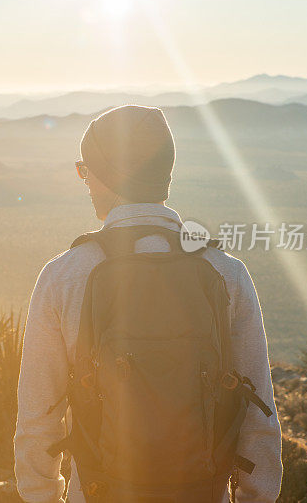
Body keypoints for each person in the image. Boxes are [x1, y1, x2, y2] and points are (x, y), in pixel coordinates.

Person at [14, 106, 282, 502]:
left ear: (106, 176)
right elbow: (259, 413)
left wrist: (42, 496)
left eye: (85, 170)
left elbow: (38, 416)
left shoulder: (63, 275)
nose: (86, 183)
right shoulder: (226, 271)